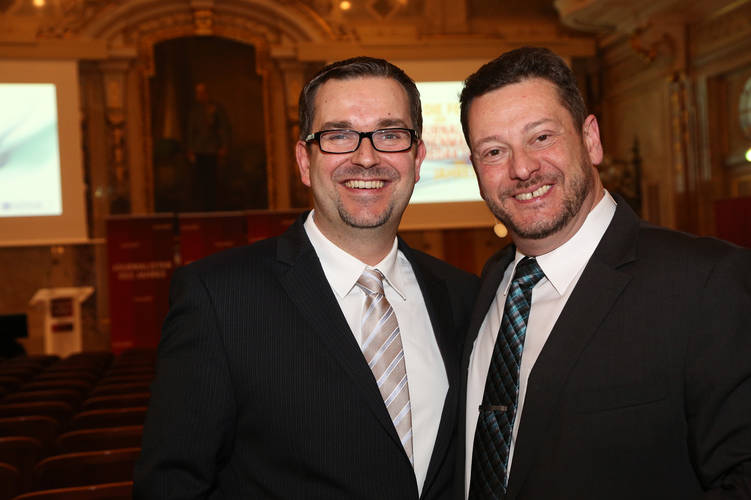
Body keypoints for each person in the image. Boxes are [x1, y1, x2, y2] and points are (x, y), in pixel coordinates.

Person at [134, 57, 479, 499]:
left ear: (417, 158)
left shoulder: (463, 296)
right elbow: (171, 486)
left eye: (391, 135)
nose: (366, 157)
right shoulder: (218, 299)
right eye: (338, 136)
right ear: (304, 160)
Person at [458, 46, 751, 499]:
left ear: (591, 139)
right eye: (494, 151)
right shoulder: (486, 286)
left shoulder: (705, 283)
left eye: (541, 137)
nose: (522, 168)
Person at [186, 82, 231, 211]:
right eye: (198, 93)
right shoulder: (194, 112)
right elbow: (190, 131)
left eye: (202, 93)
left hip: (213, 150)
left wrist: (224, 146)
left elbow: (223, 128)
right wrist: (190, 149)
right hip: (199, 150)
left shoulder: (217, 109)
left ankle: (214, 208)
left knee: (213, 181)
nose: (200, 96)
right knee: (200, 181)